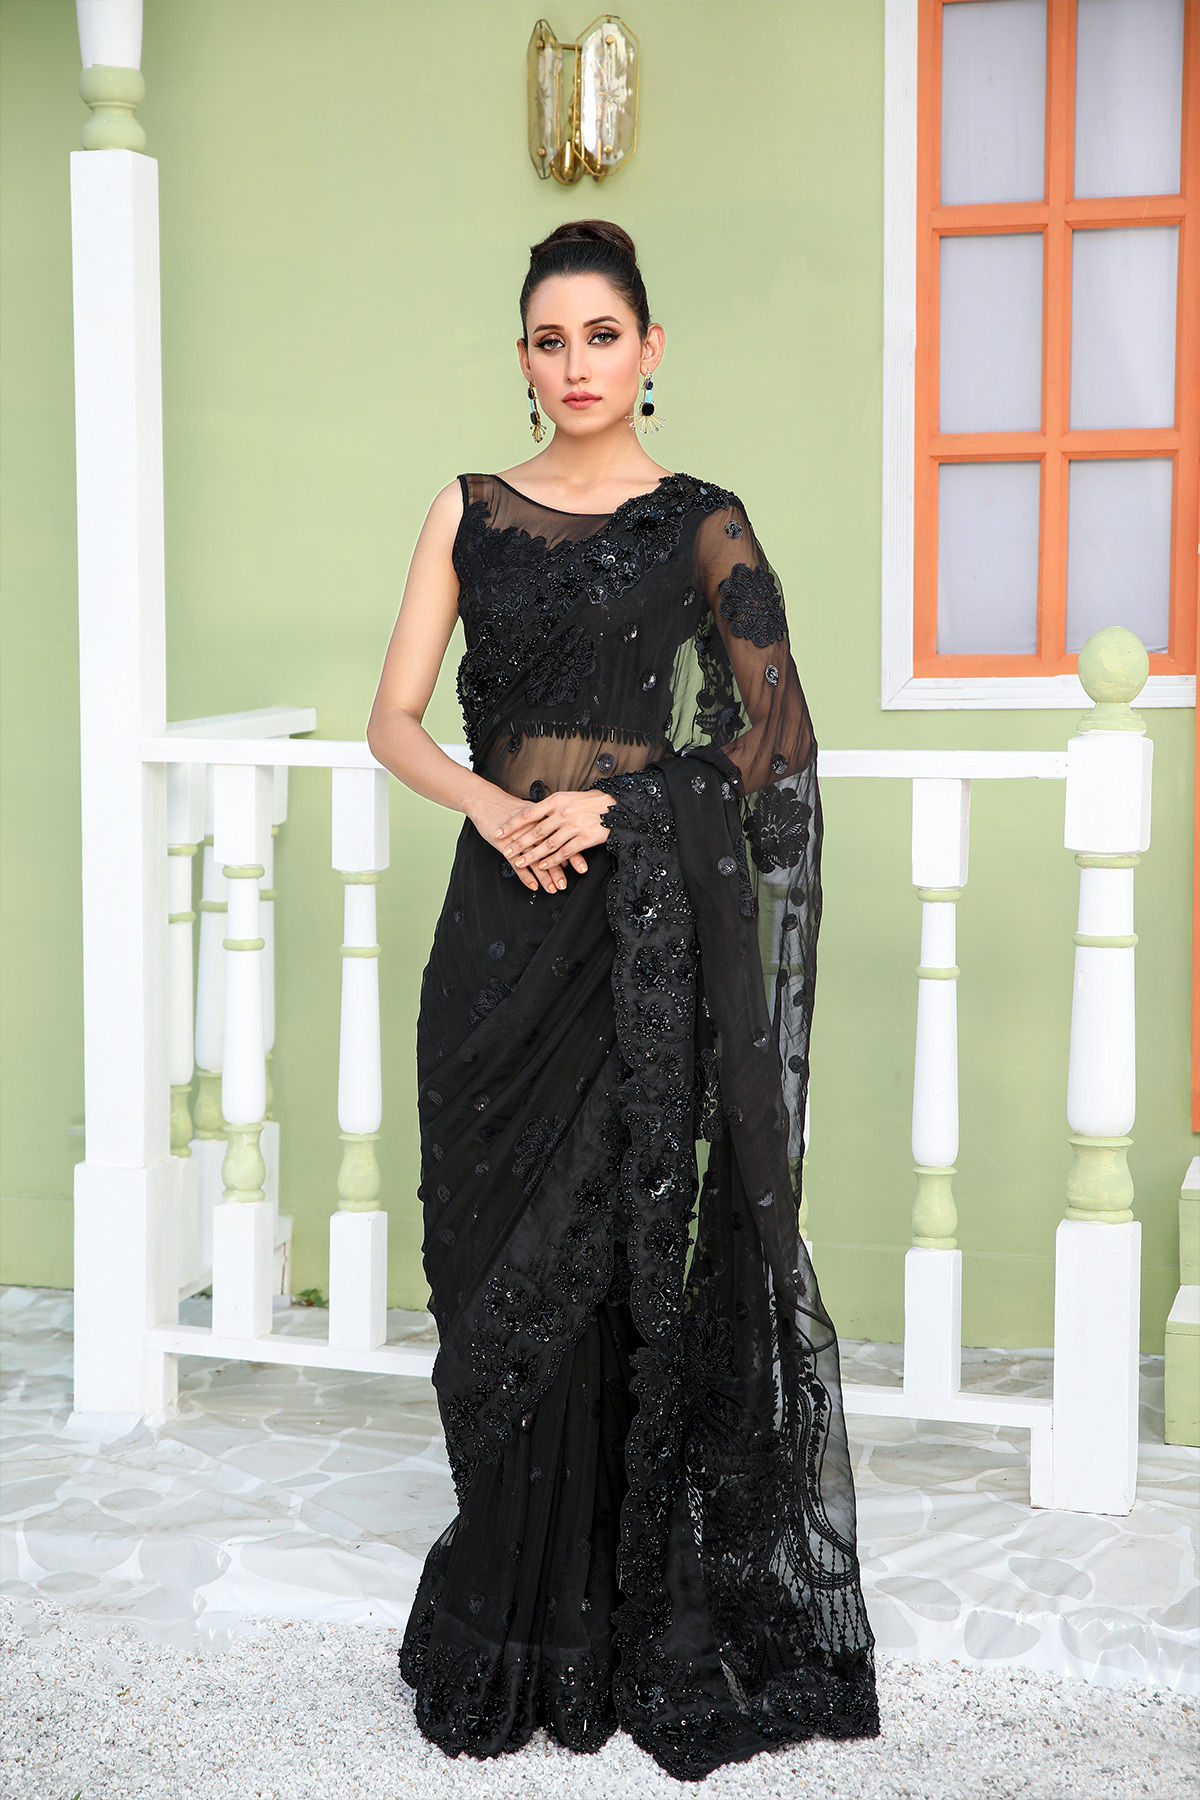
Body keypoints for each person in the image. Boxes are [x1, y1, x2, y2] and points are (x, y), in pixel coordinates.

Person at [366, 219, 879, 1782]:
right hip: (492, 940)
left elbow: (777, 735)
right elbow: (393, 720)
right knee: (487, 1267)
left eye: (601, 335)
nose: (574, 364)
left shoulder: (700, 522)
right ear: (522, 357)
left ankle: (600, 1617)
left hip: (630, 937)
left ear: (649, 351)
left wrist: (615, 806)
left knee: (605, 1265)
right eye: (548, 339)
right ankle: (510, 1602)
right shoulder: (466, 510)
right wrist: (494, 806)